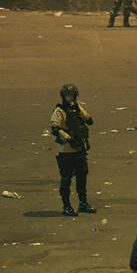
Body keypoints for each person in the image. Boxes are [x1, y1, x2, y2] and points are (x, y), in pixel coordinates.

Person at [50, 84, 96, 216]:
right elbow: (55, 128)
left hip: (79, 149)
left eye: (72, 96)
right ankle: (66, 206)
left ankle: (83, 203)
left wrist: (84, 115)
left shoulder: (76, 108)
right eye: (68, 96)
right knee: (66, 179)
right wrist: (68, 138)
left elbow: (89, 120)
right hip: (66, 150)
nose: (70, 98)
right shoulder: (59, 111)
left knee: (82, 178)